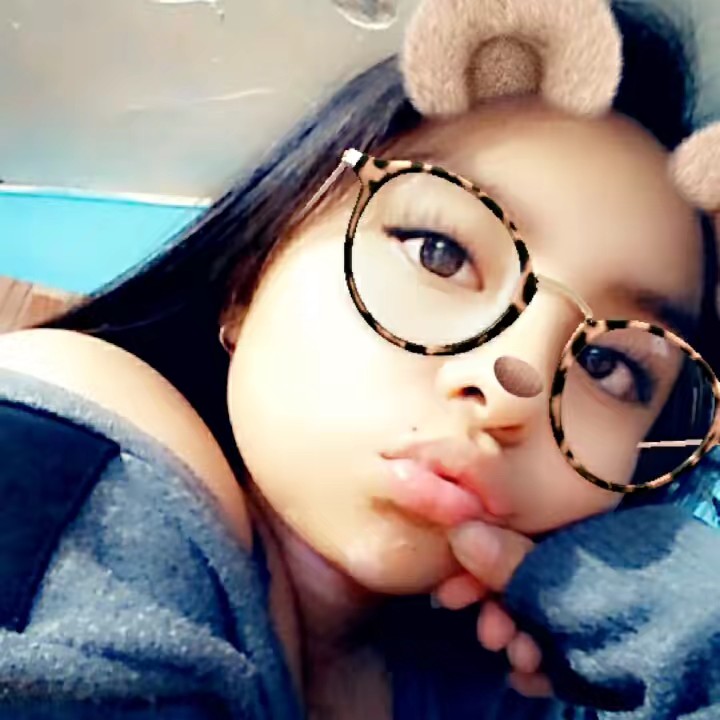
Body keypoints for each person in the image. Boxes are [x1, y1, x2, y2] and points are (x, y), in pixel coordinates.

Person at [0, 0, 718, 718]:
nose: (512, 388)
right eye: (440, 254)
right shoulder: (77, 446)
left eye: (610, 366)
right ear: (251, 274)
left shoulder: (513, 683)